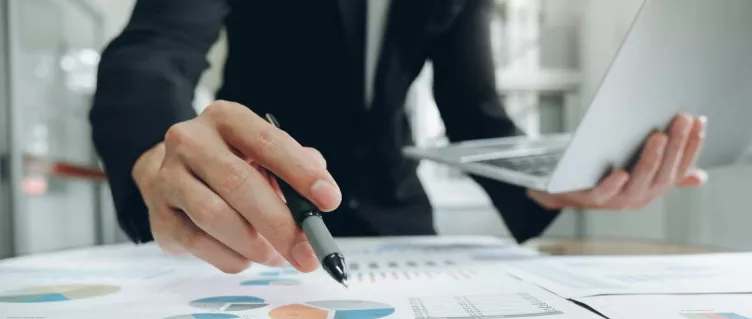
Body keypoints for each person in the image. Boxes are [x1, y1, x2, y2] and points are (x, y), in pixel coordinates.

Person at [90, 0, 708, 275]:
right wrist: (152, 160)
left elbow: (475, 114)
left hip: (401, 214)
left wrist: (554, 184)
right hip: (258, 215)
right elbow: (153, 53)